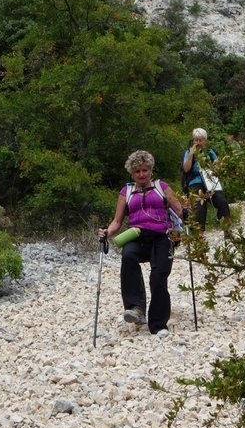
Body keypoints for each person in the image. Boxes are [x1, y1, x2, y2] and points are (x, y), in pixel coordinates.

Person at [98, 150, 183, 338]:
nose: (142, 174)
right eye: (137, 171)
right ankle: (135, 308)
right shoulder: (126, 192)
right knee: (128, 256)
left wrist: (187, 221)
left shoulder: (162, 187)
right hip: (137, 235)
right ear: (132, 173)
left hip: (163, 236)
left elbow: (180, 211)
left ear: (151, 170)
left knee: (158, 277)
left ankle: (158, 324)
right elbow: (117, 222)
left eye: (145, 170)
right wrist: (107, 232)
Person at [181, 128, 231, 232]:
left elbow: (217, 166)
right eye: (196, 140)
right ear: (193, 140)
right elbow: (186, 169)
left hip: (210, 180)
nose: (198, 142)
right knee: (199, 209)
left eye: (200, 140)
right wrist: (191, 154)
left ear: (205, 141)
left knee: (222, 202)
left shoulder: (209, 152)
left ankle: (227, 230)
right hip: (195, 182)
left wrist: (217, 163)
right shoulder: (188, 152)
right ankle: (200, 236)